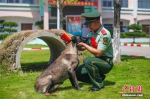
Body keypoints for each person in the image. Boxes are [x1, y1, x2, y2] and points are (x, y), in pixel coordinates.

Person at [75, 11, 114, 91]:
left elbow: (99, 53)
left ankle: (98, 85)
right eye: (88, 24)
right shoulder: (91, 33)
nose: (88, 26)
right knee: (76, 73)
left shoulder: (104, 34)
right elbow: (85, 48)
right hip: (97, 61)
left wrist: (85, 45)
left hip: (106, 62)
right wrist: (77, 45)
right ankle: (99, 78)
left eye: (90, 24)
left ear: (98, 22)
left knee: (88, 61)